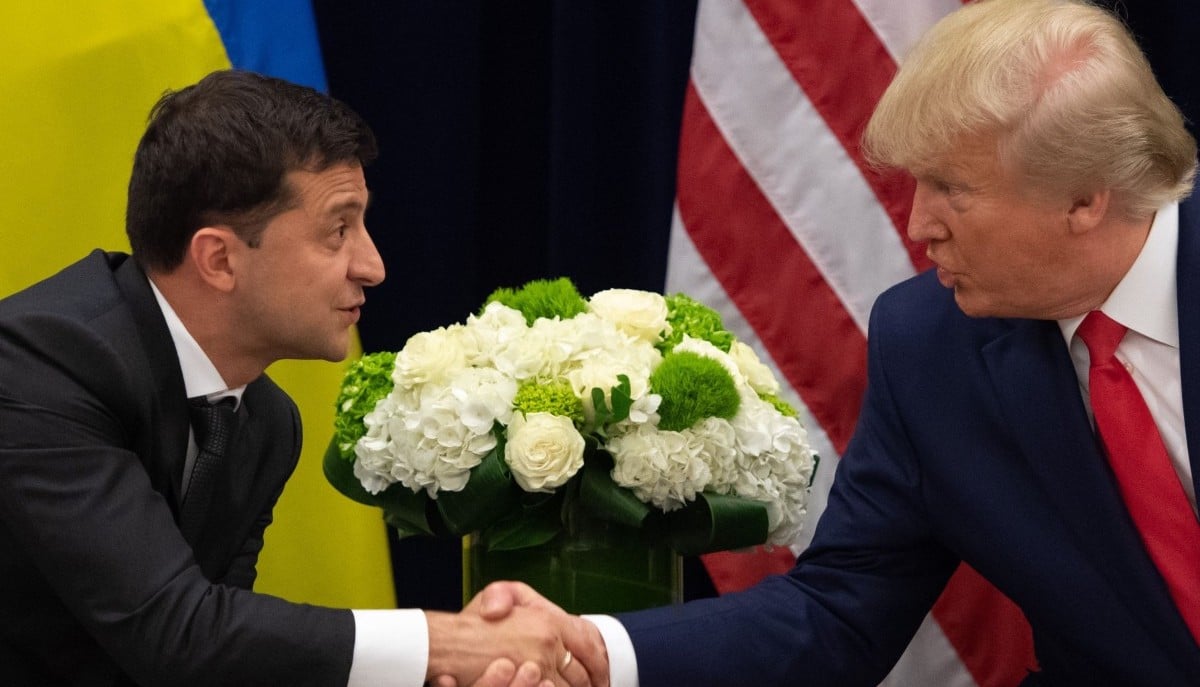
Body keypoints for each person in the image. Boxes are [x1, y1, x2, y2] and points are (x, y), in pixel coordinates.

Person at [476, 0, 1200, 684]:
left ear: (1083, 198)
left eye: (953, 189)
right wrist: (600, 649)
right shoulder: (928, 345)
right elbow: (837, 610)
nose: (918, 227)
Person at [0, 69, 607, 687]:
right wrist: (443, 645)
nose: (373, 266)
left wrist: (450, 666)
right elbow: (176, 631)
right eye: (338, 230)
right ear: (220, 258)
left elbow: (218, 664)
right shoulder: (38, 364)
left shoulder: (265, 422)